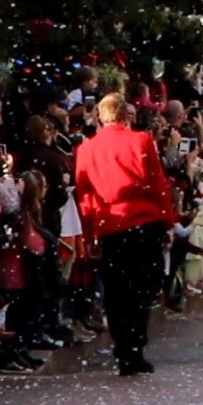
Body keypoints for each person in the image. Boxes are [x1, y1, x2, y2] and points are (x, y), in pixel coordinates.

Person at [73, 92, 176, 376]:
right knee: (143, 288)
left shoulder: (87, 149)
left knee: (117, 292)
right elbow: (158, 183)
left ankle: (124, 347)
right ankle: (135, 346)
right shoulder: (141, 141)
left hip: (111, 225)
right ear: (123, 115)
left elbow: (85, 196)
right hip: (143, 221)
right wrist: (167, 221)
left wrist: (90, 233)